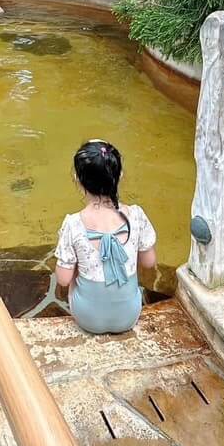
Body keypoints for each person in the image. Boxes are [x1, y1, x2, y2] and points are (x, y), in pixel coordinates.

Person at [54, 141, 156, 335]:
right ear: (120, 176)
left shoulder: (73, 224)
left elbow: (63, 279)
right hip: (129, 316)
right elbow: (149, 262)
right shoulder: (136, 215)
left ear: (77, 180)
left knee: (74, 268)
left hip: (87, 318)